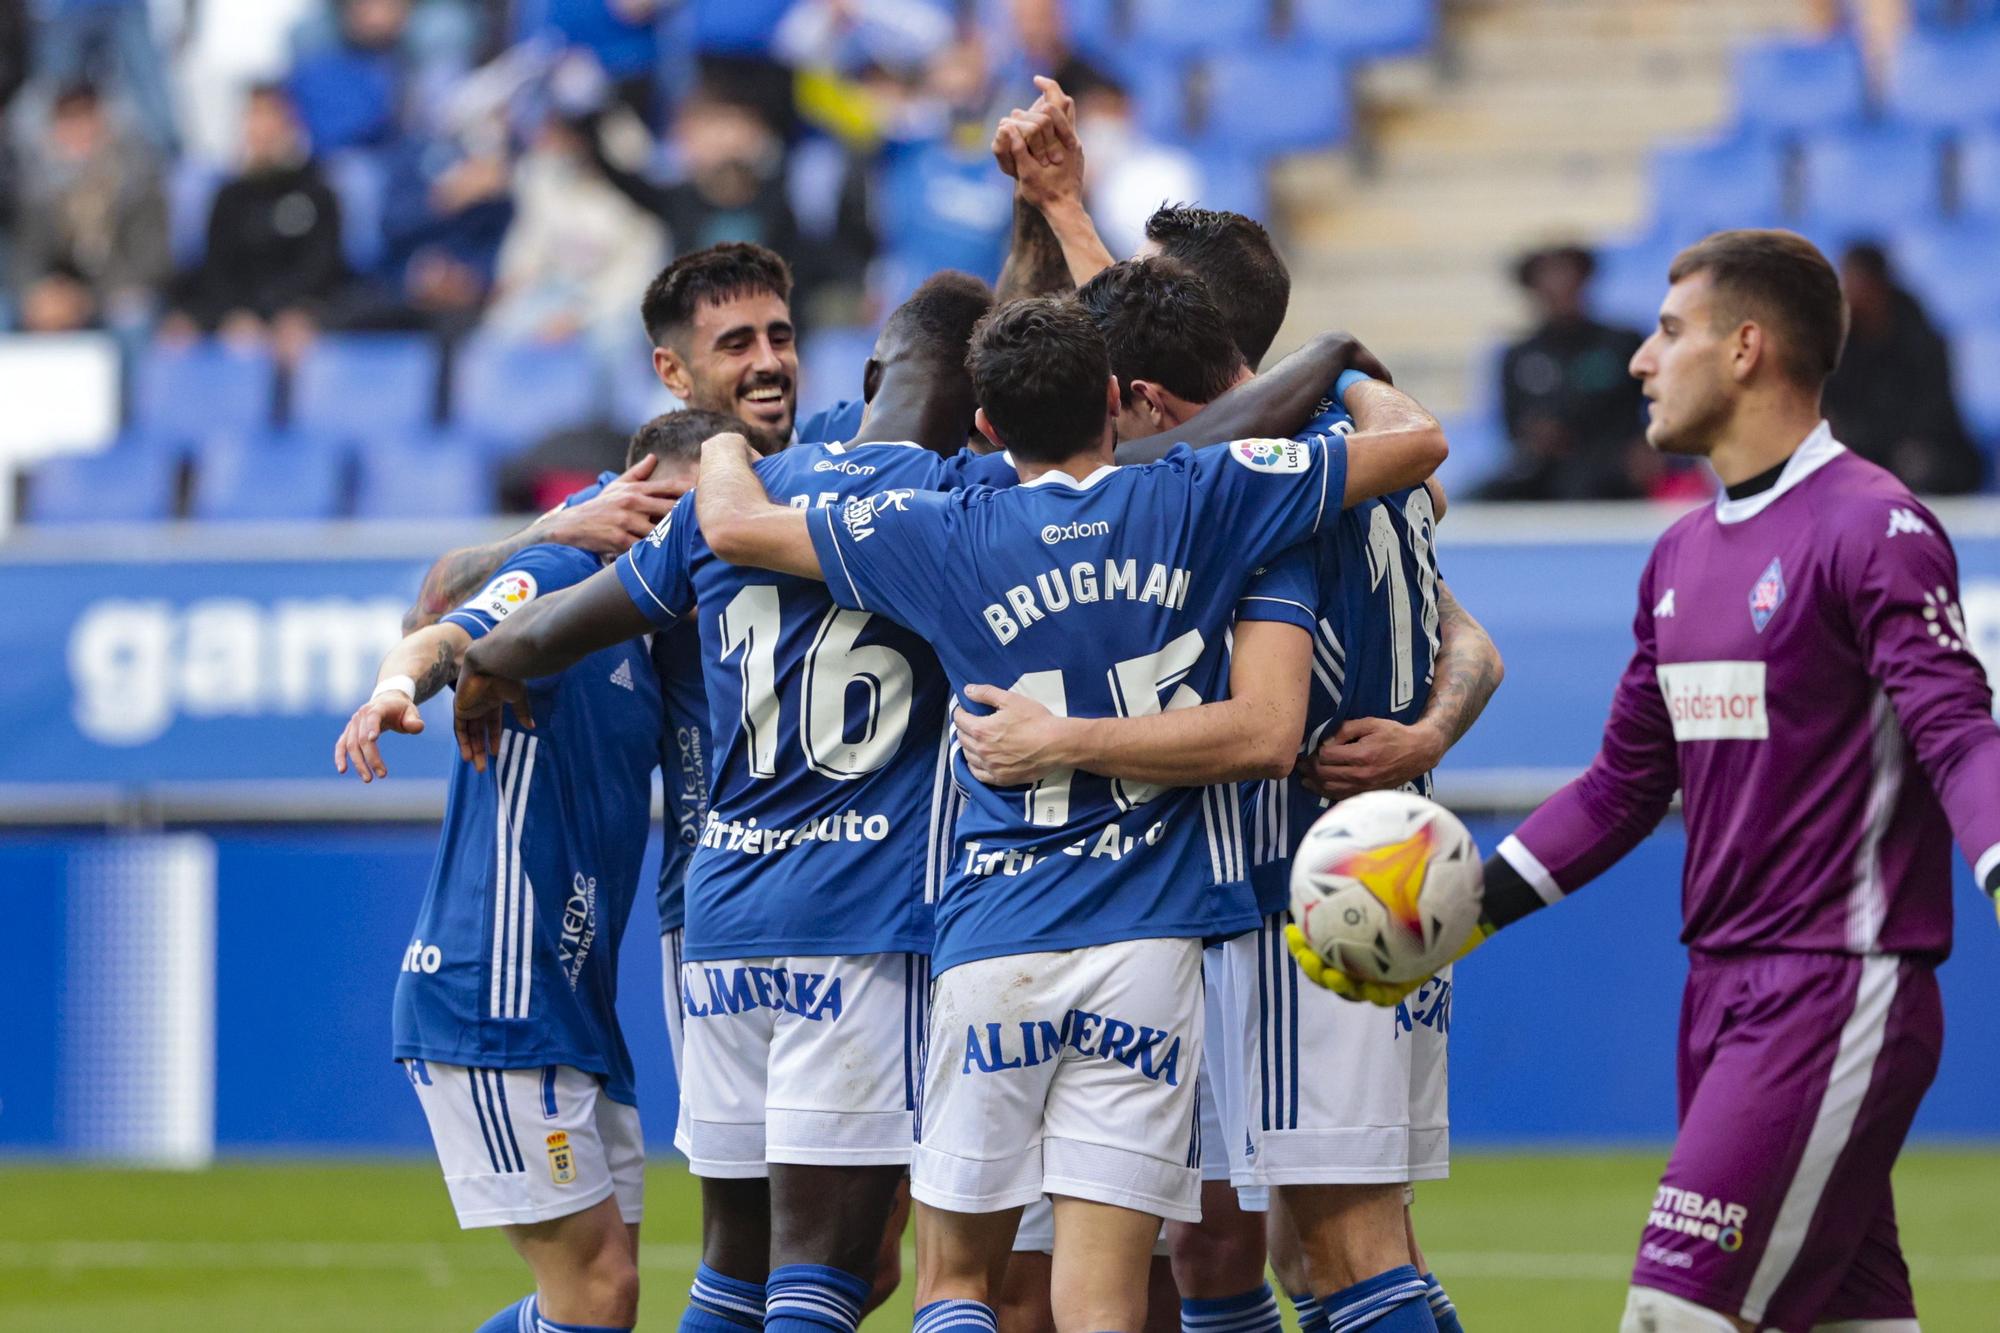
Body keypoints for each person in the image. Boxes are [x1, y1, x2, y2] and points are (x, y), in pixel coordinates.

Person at [680, 295, 1446, 1333]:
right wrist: (1344, 364)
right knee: (1101, 1300)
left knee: (959, 1282)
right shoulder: (1202, 493)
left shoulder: (942, 525)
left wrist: (722, 444)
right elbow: (1415, 448)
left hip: (995, 931)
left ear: (986, 430)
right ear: (1111, 400)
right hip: (1149, 946)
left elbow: (731, 527)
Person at [1297, 229, 2000, 1333]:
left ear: (1745, 350)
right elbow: (1625, 784)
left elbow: (1958, 732)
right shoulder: (1677, 557)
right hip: (1717, 995)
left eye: (1668, 332)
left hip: (1832, 986)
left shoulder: (1873, 527)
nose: (1637, 359)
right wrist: (1451, 914)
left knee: (1671, 1310)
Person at [330, 416, 697, 1333]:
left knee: (604, 1299)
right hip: (497, 992)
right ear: (641, 496)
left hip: (573, 1000)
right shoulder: (569, 579)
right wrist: (392, 692)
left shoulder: (651, 642)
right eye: (692, 505)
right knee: (598, 1288)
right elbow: (446, 633)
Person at [401, 242, 802, 634]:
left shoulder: (838, 458)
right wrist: (548, 532)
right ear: (673, 372)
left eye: (781, 339)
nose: (769, 362)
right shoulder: (630, 501)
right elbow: (425, 618)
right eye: (737, 346)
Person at [160, 83, 346, 359]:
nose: (259, 128)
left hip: (298, 309)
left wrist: (282, 314)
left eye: (268, 115)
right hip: (240, 311)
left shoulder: (317, 191)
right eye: (253, 117)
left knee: (296, 336)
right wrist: (235, 314)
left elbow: (320, 268)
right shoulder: (229, 197)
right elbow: (218, 268)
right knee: (178, 333)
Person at [1479, 245, 1649, 501]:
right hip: (1546, 469)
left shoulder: (1623, 343)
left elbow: (1661, 403)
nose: (1558, 286)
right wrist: (1536, 435)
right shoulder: (1519, 356)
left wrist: (1647, 447)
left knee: (1584, 487)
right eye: (1547, 278)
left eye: (1567, 276)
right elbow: (1512, 424)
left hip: (1614, 466)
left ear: (1584, 281)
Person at [1822, 243, 1984, 495]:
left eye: (1854, 281)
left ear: (1877, 284)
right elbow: (1826, 405)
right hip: (1859, 447)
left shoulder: (1922, 338)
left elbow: (1934, 412)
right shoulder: (1834, 342)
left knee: (1922, 465)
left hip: (1917, 447)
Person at [9, 81, 170, 333]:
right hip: (59, 299)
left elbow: (151, 261)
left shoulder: (137, 179)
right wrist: (40, 292)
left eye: (84, 118)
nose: (77, 131)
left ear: (103, 122)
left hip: (116, 292)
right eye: (67, 120)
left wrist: (86, 299)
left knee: (133, 317)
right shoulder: (38, 187)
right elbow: (26, 255)